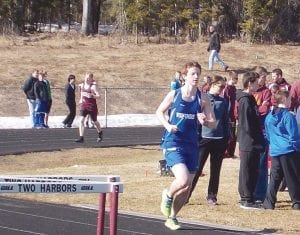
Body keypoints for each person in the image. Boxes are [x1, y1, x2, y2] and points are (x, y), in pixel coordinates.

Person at [156, 61, 215, 230]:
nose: (196, 77)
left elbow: (213, 123)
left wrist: (205, 120)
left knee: (187, 186)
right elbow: (159, 112)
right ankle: (167, 195)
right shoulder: (174, 94)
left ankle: (172, 217)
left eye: (198, 73)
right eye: (192, 74)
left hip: (192, 145)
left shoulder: (202, 98)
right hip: (173, 142)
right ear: (185, 76)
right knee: (181, 180)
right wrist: (168, 125)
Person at [188, 75, 229, 206]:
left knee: (215, 170)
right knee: (197, 168)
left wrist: (227, 137)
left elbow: (225, 120)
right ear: (212, 85)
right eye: (220, 86)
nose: (222, 89)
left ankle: (212, 196)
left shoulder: (223, 101)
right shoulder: (203, 98)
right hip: (204, 139)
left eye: (224, 87)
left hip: (219, 139)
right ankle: (186, 195)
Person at [262, 90, 300, 210]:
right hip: (288, 150)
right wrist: (296, 147)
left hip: (275, 150)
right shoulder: (288, 116)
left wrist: (273, 144)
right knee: (292, 177)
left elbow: (267, 134)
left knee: (274, 177)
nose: (291, 101)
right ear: (284, 100)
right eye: (289, 99)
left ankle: (269, 202)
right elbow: (293, 135)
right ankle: (296, 202)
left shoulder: (269, 116)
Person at [236, 71, 264, 209]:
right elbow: (246, 124)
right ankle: (246, 199)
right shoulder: (245, 101)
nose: (258, 84)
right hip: (248, 141)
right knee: (247, 170)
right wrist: (253, 139)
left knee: (253, 169)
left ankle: (249, 196)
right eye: (256, 82)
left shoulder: (251, 99)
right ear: (249, 83)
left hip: (254, 141)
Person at [252, 66, 272, 203]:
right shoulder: (250, 92)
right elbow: (240, 110)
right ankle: (249, 191)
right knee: (249, 163)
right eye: (263, 76)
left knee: (262, 164)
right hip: (250, 132)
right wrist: (257, 109)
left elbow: (265, 109)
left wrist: (255, 110)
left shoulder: (266, 92)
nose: (265, 79)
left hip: (263, 132)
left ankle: (260, 194)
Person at [75, 73, 103, 143]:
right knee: (81, 120)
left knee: (94, 121)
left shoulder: (93, 87)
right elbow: (81, 92)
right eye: (86, 77)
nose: (87, 79)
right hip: (84, 105)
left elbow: (99, 96)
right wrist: (81, 99)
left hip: (92, 106)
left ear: (91, 79)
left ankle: (100, 132)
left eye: (88, 78)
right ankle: (81, 137)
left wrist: (93, 96)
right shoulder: (81, 85)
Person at [222, 70, 238, 158]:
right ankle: (225, 152)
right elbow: (226, 103)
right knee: (228, 134)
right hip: (228, 115)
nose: (237, 80)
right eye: (236, 78)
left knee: (233, 134)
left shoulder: (234, 88)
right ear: (231, 78)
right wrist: (226, 116)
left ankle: (231, 152)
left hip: (233, 115)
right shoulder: (226, 89)